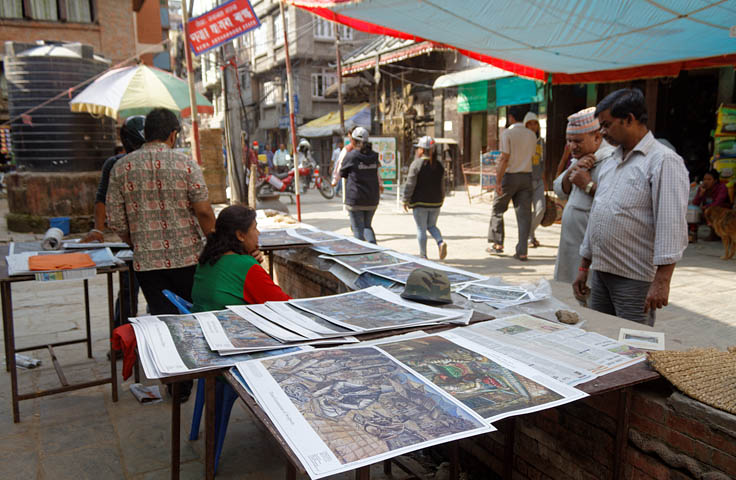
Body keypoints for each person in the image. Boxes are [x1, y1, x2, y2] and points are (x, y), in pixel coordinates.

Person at [573, 89, 689, 325]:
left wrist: (662, 281)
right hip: (601, 272)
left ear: (629, 119)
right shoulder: (611, 160)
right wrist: (584, 266)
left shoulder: (663, 161)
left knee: (632, 346)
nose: (603, 133)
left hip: (634, 278)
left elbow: (670, 224)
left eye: (607, 125)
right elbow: (597, 214)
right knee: (600, 338)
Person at [107, 108, 215, 315]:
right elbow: (204, 212)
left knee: (162, 317)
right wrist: (215, 242)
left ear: (146, 133)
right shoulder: (187, 165)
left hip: (148, 262)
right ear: (173, 134)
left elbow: (116, 221)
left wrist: (136, 241)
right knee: (192, 316)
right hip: (188, 258)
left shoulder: (121, 168)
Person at [83, 115, 146, 326]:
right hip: (133, 240)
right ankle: (124, 338)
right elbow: (102, 199)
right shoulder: (115, 164)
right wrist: (98, 231)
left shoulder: (147, 163)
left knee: (151, 291)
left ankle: (134, 337)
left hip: (140, 238)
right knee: (131, 289)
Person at [553, 107, 615, 285]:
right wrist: (572, 170)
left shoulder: (610, 160)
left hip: (592, 247)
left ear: (597, 137)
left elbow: (614, 202)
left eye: (577, 141)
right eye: (569, 141)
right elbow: (559, 189)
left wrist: (587, 185)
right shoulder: (580, 158)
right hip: (571, 244)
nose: (572, 146)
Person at [192, 205, 290, 312]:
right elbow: (282, 304)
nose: (258, 233)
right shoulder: (245, 266)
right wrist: (252, 266)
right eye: (254, 228)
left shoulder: (207, 257)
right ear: (240, 235)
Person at [487, 105, 538, 261]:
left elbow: (504, 158)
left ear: (511, 117)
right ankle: (522, 251)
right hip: (526, 176)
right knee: (524, 216)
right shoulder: (531, 135)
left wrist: (498, 181)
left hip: (510, 176)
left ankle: (497, 243)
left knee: (498, 208)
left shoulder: (507, 133)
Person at [403, 136, 447, 260]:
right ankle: (440, 242)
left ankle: (423, 255)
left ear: (422, 150)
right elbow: (442, 184)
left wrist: (405, 199)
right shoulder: (439, 165)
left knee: (421, 228)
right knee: (432, 225)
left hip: (420, 202)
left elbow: (410, 184)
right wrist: (442, 198)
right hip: (436, 202)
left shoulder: (416, 164)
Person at [340, 126, 382, 243]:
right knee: (367, 226)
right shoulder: (374, 156)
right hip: (372, 198)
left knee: (358, 229)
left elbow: (343, 172)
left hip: (356, 198)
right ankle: (375, 251)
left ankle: (362, 256)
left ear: (353, 141)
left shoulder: (352, 156)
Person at [524, 112, 546, 248]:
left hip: (538, 181)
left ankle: (529, 233)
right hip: (525, 180)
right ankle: (530, 237)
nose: (533, 126)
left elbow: (543, 161)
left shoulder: (541, 142)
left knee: (540, 209)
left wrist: (545, 178)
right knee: (526, 212)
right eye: (530, 124)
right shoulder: (523, 140)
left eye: (535, 123)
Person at [689, 169, 731, 242]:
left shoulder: (722, 187)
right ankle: (693, 234)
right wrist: (700, 194)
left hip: (722, 211)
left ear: (715, 181)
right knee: (693, 212)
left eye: (709, 179)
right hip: (707, 211)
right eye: (705, 179)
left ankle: (717, 234)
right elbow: (695, 203)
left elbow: (718, 202)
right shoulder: (702, 188)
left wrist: (706, 208)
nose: (706, 181)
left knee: (711, 211)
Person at [332, 126, 357, 196]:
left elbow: (340, 164)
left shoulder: (347, 149)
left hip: (351, 183)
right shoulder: (367, 150)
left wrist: (335, 180)